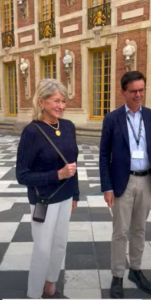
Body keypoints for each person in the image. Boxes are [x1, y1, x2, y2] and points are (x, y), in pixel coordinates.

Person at [99, 71, 151, 299]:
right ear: (123, 92)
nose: (138, 94)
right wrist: (107, 187)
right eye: (134, 91)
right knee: (120, 231)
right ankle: (118, 275)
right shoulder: (112, 119)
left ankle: (136, 271)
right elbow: (103, 156)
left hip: (147, 181)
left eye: (141, 90)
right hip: (122, 182)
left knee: (139, 229)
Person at [16, 78, 79, 299]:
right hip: (43, 200)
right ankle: (34, 294)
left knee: (60, 245)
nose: (61, 106)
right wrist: (56, 175)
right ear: (41, 102)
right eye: (55, 101)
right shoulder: (32, 132)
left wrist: (75, 194)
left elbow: (73, 164)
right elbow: (22, 175)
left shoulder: (68, 126)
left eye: (63, 101)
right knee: (42, 249)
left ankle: (50, 288)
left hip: (65, 197)